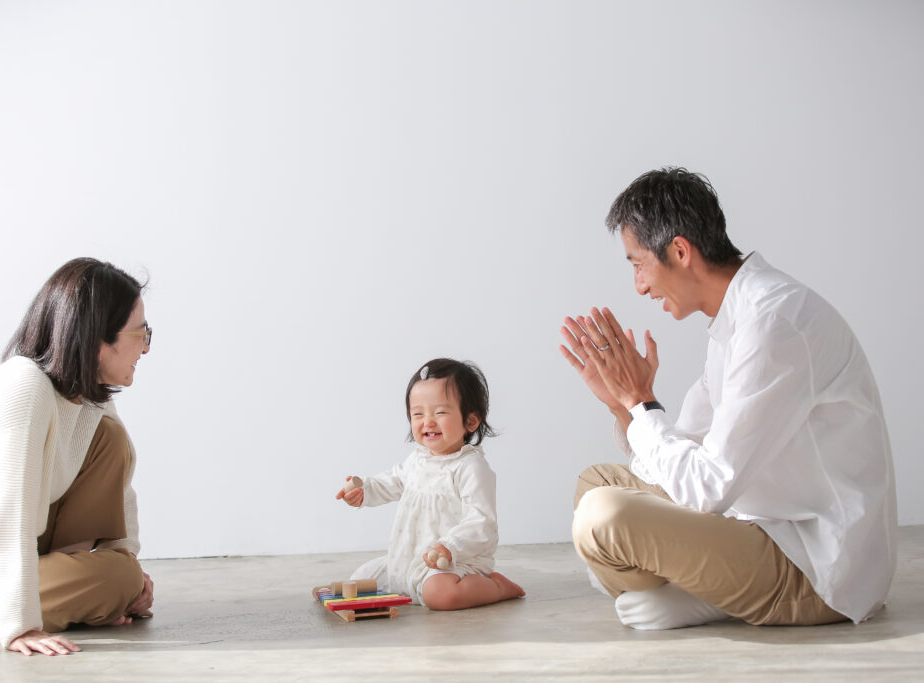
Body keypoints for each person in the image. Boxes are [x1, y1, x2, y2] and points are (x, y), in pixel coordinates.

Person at [559, 168, 896, 630]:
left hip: (814, 566)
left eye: (638, 264)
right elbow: (688, 453)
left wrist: (641, 402)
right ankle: (704, 592)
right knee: (594, 484)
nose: (639, 285)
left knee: (602, 515)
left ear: (679, 251)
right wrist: (624, 406)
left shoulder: (773, 321)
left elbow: (706, 488)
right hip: (748, 523)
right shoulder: (734, 320)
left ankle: (704, 595)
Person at [0, 257, 156, 655]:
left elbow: (121, 489)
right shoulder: (25, 389)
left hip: (18, 555)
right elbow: (9, 517)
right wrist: (21, 627)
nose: (145, 345)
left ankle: (107, 584)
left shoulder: (88, 396)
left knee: (110, 441)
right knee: (118, 579)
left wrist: (129, 569)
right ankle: (96, 588)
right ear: (97, 341)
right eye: (140, 332)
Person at [335, 358, 525, 610]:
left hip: (455, 562)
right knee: (360, 577)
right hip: (409, 559)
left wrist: (449, 547)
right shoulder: (418, 460)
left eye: (440, 412)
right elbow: (392, 481)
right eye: (418, 414)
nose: (427, 421)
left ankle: (496, 587)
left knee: (441, 595)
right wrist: (364, 490)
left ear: (470, 421)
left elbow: (481, 523)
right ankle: (404, 581)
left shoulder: (471, 468)